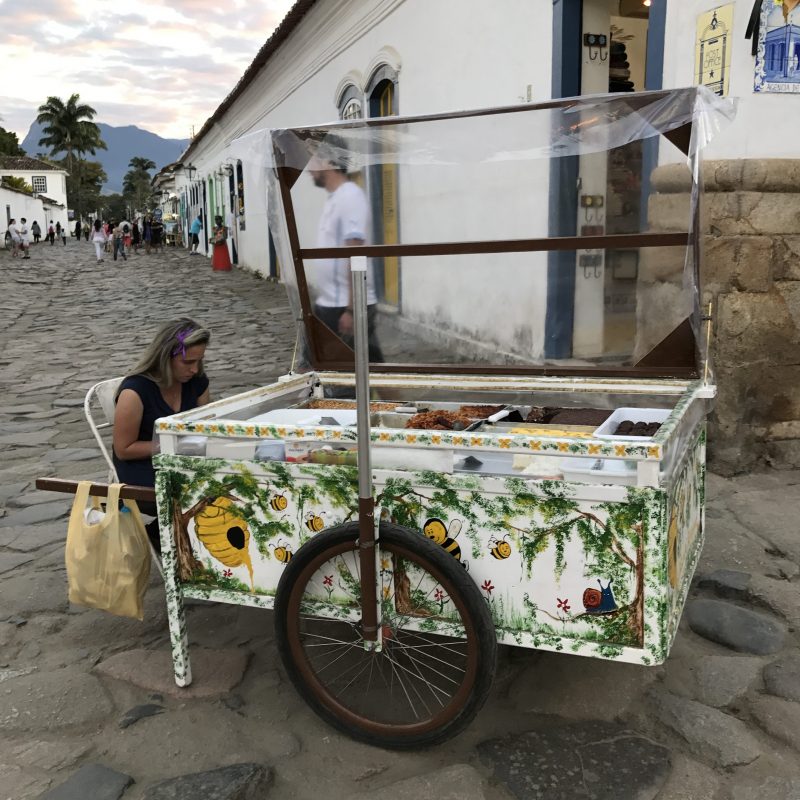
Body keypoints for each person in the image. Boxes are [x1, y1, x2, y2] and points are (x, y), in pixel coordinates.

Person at [113, 319, 211, 550]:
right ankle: (170, 538)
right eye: (188, 362)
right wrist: (174, 444)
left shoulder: (196, 383)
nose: (194, 369)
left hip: (181, 461)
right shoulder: (135, 391)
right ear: (165, 356)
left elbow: (204, 426)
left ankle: (169, 535)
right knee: (206, 488)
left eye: (199, 361)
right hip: (143, 467)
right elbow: (124, 450)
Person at [309, 143, 383, 362]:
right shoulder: (335, 198)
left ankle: (392, 397)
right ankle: (395, 397)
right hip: (329, 303)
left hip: (345, 305)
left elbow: (356, 253)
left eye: (312, 160)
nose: (308, 169)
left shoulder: (350, 197)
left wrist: (352, 310)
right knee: (372, 367)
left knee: (349, 376)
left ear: (330, 161)